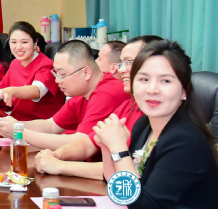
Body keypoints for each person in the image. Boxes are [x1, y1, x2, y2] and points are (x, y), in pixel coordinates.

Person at [93, 40, 218, 209]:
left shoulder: (185, 141)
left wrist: (118, 149)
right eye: (144, 79)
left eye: (165, 81)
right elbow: (120, 188)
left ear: (184, 91)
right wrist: (107, 147)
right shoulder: (144, 125)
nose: (152, 89)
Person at [34, 36, 162, 180]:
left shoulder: (168, 124)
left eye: (128, 62)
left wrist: (59, 166)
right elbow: (89, 143)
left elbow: (131, 171)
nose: (121, 70)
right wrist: (56, 155)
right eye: (121, 63)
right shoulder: (128, 106)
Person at [0, 40, 128, 151]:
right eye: (56, 73)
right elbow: (51, 125)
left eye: (63, 74)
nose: (57, 80)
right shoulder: (81, 92)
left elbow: (80, 142)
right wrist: (15, 125)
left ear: (86, 73)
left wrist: (20, 133)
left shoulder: (108, 92)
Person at [0, 21, 65, 121]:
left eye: (24, 42)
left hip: (41, 125)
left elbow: (37, 91)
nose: (18, 47)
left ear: (35, 43)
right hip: (17, 121)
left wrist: (12, 91)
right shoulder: (15, 63)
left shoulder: (47, 65)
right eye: (14, 42)